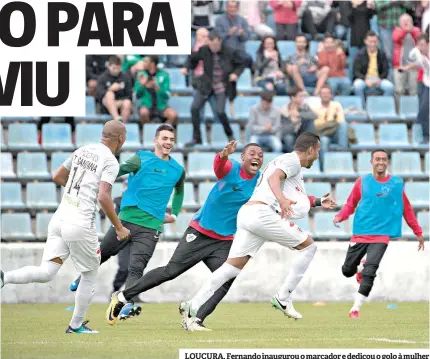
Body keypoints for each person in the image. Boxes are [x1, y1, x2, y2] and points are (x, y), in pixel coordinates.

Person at [180, 132, 337, 330]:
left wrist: (318, 201)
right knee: (308, 247)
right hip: (263, 214)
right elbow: (274, 178)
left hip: (248, 214)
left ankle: (193, 305)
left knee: (231, 268)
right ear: (311, 149)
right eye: (318, 151)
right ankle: (284, 297)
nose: (318, 156)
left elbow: (292, 193)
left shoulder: (284, 162)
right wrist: (280, 200)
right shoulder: (293, 161)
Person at [105, 141, 264, 329]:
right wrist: (222, 155)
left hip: (225, 240)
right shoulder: (231, 168)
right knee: (170, 271)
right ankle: (122, 297)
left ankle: (196, 320)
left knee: (225, 279)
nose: (256, 157)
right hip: (200, 232)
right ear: (242, 157)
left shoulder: (260, 180)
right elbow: (220, 166)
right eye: (252, 153)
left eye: (260, 155)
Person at [0, 120, 130, 334]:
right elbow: (104, 196)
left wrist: (77, 193)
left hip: (60, 218)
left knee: (46, 272)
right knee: (89, 274)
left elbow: (57, 176)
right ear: (121, 139)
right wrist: (119, 227)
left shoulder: (82, 150)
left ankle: (5, 277)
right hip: (79, 224)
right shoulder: (111, 161)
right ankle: (76, 325)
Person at [69, 125, 186, 315]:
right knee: (101, 254)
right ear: (156, 140)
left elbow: (180, 191)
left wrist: (175, 214)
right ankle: (81, 278)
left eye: (172, 139)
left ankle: (125, 305)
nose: (168, 143)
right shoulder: (142, 158)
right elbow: (116, 171)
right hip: (125, 220)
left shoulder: (177, 170)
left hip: (151, 227)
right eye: (165, 138)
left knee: (136, 269)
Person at [333, 149, 424, 319]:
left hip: (382, 234)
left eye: (384, 159)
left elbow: (407, 208)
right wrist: (340, 216)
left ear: (387, 162)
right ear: (371, 162)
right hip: (360, 232)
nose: (381, 162)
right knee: (347, 270)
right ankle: (358, 267)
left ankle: (355, 308)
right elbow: (350, 204)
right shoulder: (363, 181)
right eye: (377, 159)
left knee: (371, 271)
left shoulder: (396, 184)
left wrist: (417, 231)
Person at [184, 32, 245, 147]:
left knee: (220, 112)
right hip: (206, 85)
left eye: (216, 45)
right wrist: (186, 68)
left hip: (221, 85)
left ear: (220, 42)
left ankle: (230, 135)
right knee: (194, 108)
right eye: (212, 45)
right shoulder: (204, 50)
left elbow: (241, 64)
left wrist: (236, 74)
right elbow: (192, 59)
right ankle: (197, 138)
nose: (214, 48)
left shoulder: (229, 51)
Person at [135, 56, 178, 125]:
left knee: (173, 115)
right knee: (143, 112)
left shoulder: (164, 75)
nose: (143, 63)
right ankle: (150, 130)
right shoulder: (141, 75)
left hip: (161, 107)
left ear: (152, 63)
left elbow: (167, 95)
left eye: (146, 61)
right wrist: (142, 85)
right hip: (147, 106)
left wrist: (157, 88)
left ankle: (162, 130)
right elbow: (137, 95)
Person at [352, 31, 394, 101]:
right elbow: (356, 71)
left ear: (378, 42)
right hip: (364, 79)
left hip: (378, 79)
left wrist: (380, 79)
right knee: (357, 86)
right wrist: (365, 79)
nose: (372, 44)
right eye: (370, 42)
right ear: (365, 41)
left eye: (375, 41)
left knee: (389, 87)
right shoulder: (360, 54)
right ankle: (362, 108)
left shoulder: (382, 54)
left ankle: (383, 106)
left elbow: (386, 70)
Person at [96, 56, 133, 122]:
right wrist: (110, 89)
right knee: (109, 94)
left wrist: (118, 102)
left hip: (121, 103)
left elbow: (130, 95)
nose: (116, 71)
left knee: (127, 102)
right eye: (114, 68)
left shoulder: (125, 77)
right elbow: (99, 95)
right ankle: (117, 118)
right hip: (106, 106)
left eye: (118, 68)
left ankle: (122, 127)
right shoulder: (102, 77)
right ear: (109, 66)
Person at [408, 34, 429, 144]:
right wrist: (405, 67)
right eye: (419, 45)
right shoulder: (419, 54)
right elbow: (414, 62)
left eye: (422, 45)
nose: (420, 47)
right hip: (426, 83)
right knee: (423, 110)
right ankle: (426, 136)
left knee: (423, 111)